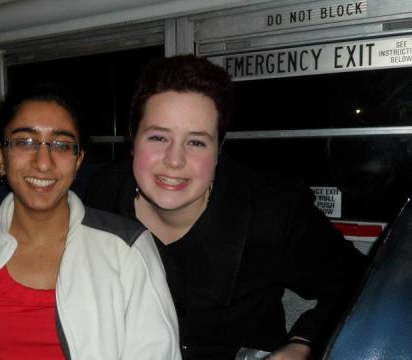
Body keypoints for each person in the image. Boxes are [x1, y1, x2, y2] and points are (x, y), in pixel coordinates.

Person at [85, 55, 367, 359]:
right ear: (133, 140)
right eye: (157, 137)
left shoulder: (271, 209)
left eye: (196, 142)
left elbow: (360, 284)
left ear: (218, 149)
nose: (174, 160)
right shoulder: (100, 196)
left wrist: (303, 342)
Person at [0, 87, 181, 360]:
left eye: (61, 145)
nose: (43, 163)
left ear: (78, 161)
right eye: (25, 142)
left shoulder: (128, 249)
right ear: (1, 157)